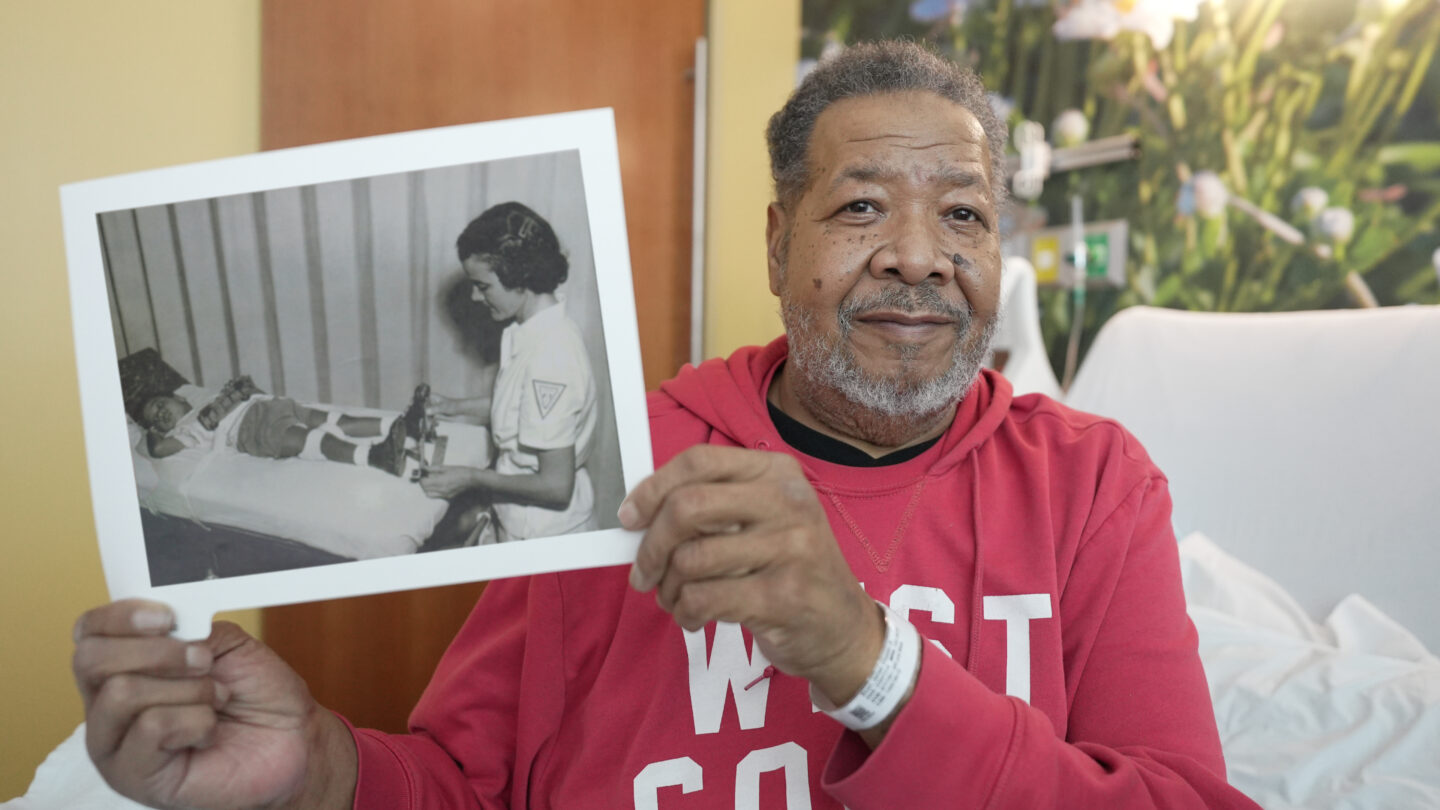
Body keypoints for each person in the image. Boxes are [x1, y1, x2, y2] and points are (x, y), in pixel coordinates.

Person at [71, 41, 1261, 809]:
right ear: (776, 244)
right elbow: (461, 787)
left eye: (964, 214)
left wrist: (868, 661)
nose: (919, 256)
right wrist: (316, 770)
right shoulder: (645, 465)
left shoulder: (1093, 484)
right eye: (860, 208)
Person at [418, 201, 600, 542]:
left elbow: (556, 486)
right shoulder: (527, 328)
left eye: (483, 286)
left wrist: (470, 478)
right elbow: (520, 410)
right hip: (518, 519)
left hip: (545, 535)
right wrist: (453, 407)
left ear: (520, 277)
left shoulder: (552, 357)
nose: (475, 297)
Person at [138, 376, 411, 476]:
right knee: (313, 439)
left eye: (161, 406)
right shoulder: (184, 429)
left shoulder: (208, 398)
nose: (160, 415)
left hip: (271, 406)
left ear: (177, 397)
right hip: (251, 429)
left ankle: (403, 425)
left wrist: (248, 388)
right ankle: (376, 457)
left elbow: (256, 393)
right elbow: (160, 449)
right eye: (156, 418)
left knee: (337, 420)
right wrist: (148, 431)